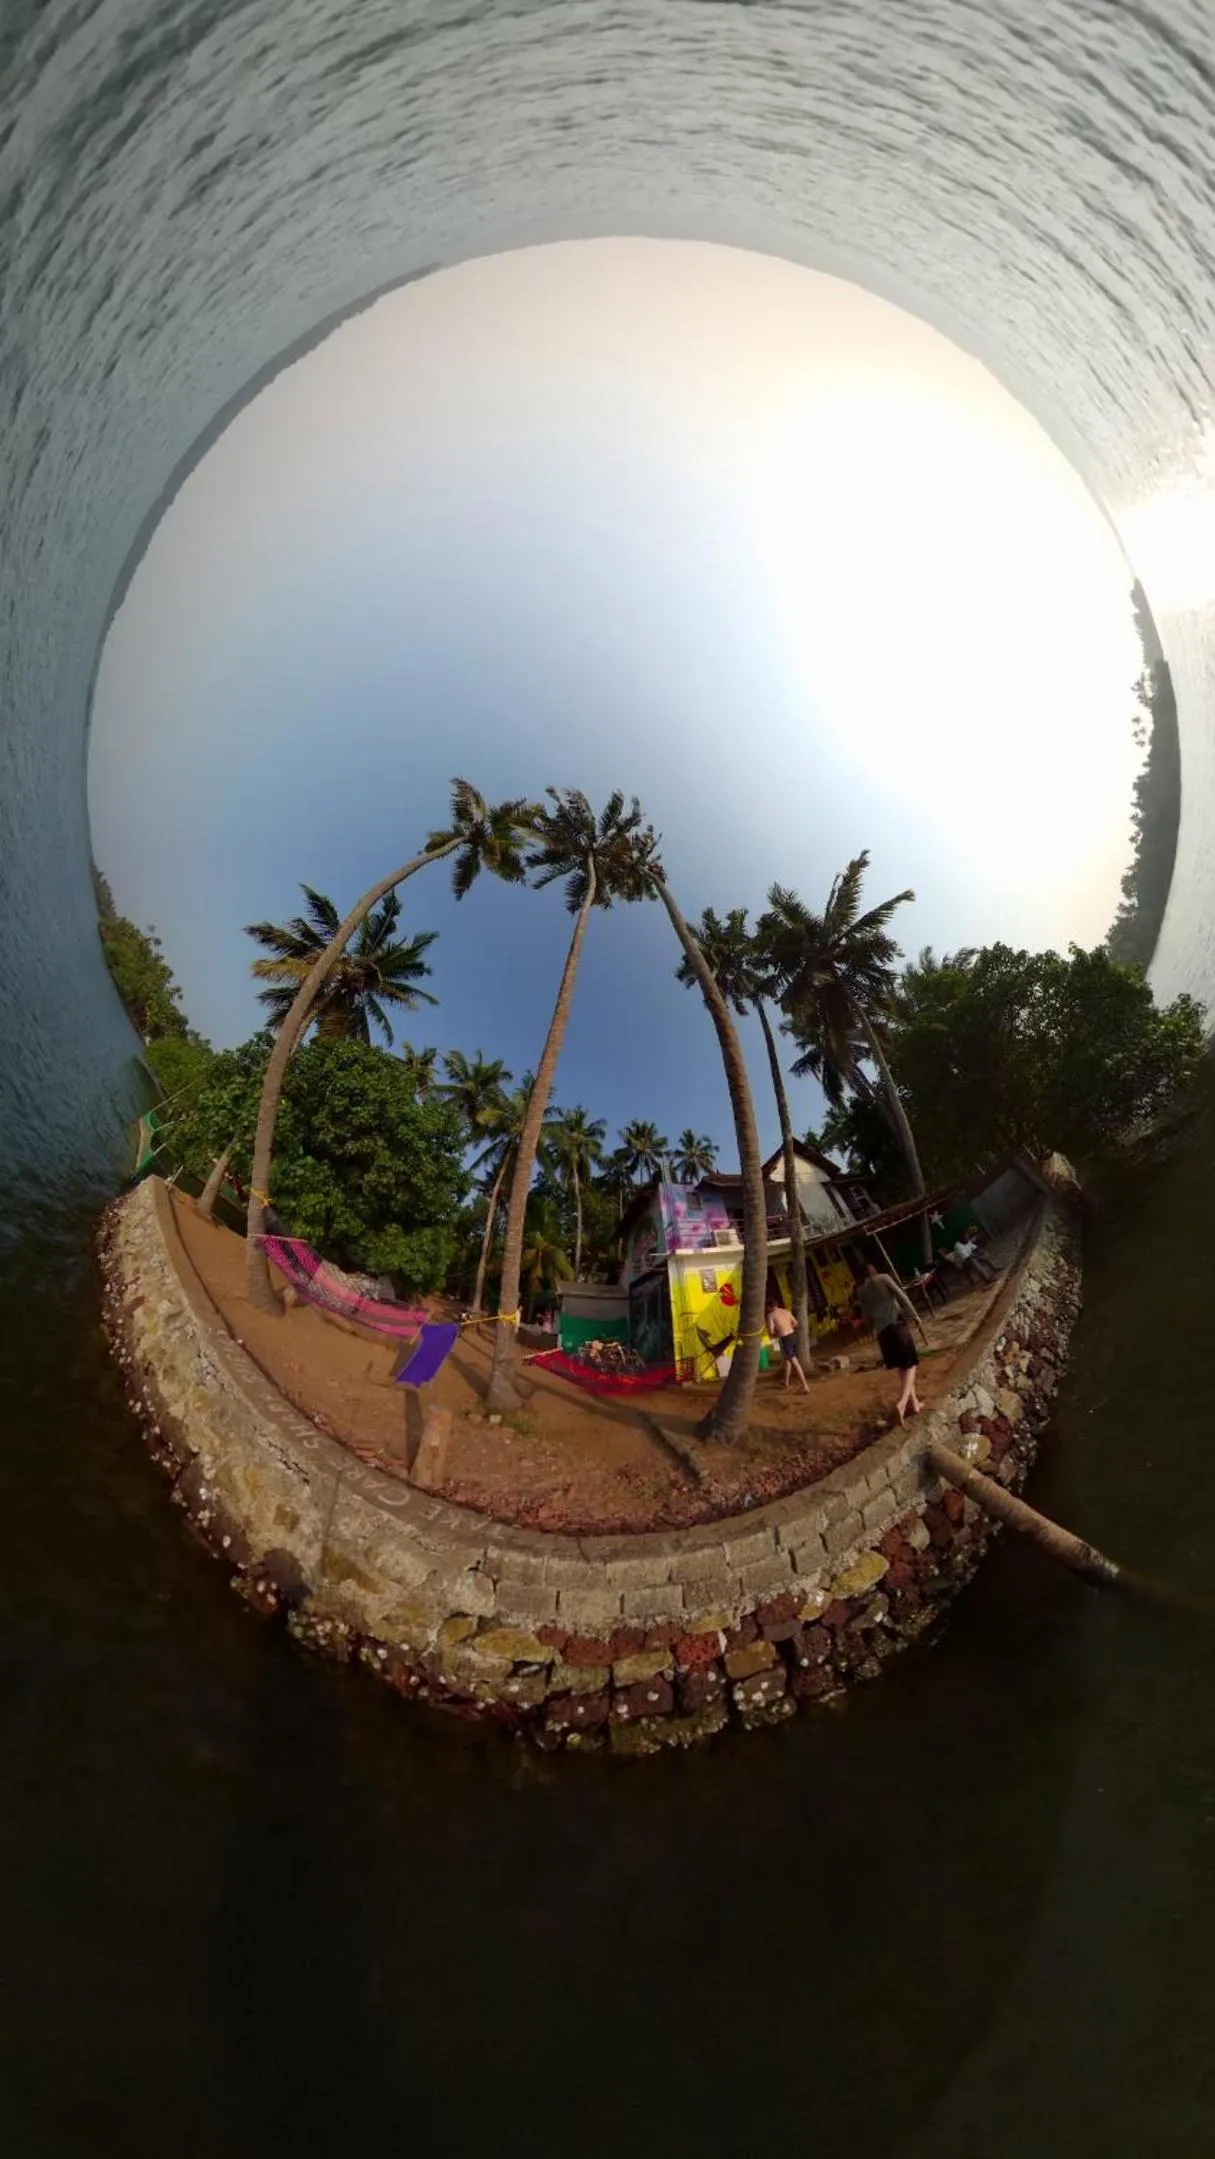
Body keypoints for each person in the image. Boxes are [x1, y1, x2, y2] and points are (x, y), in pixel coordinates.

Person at [855, 1258, 925, 1424]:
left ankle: (914, 1403)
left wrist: (869, 1329)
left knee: (901, 1366)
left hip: (882, 1333)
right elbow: (901, 1296)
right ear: (873, 1269)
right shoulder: (884, 1278)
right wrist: (914, 1314)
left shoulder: (861, 1290)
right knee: (911, 1364)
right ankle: (902, 1403)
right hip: (896, 1325)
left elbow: (866, 1315)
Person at [766, 1300, 810, 1393]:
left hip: (786, 1339)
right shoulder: (786, 1311)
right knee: (787, 1361)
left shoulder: (771, 1315)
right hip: (793, 1336)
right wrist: (787, 1327)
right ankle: (786, 1382)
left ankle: (805, 1385)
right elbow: (796, 1323)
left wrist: (777, 1333)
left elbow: (771, 1331)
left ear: (769, 1307)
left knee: (795, 1363)